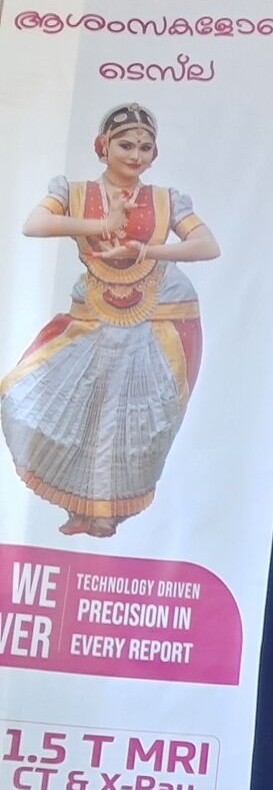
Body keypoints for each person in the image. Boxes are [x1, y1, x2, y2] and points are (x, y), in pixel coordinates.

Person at [3, 104, 221, 538]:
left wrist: (146, 251)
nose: (136, 155)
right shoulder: (74, 193)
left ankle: (105, 513)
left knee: (131, 418)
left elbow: (207, 245)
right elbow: (34, 224)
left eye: (145, 147)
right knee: (66, 402)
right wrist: (102, 222)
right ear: (102, 146)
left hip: (160, 314)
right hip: (96, 310)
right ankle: (80, 505)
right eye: (125, 145)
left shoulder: (165, 200)